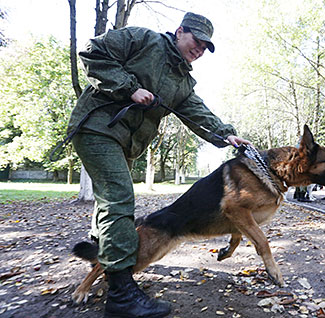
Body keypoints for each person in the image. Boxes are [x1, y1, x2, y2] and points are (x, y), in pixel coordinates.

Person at [67, 12, 250, 318]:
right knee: (119, 198)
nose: (200, 49)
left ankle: (101, 254)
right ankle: (122, 294)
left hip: (126, 142)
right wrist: (129, 87)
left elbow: (197, 113)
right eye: (197, 41)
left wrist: (227, 135)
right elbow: (91, 52)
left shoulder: (182, 81)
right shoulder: (142, 39)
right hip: (98, 127)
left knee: (109, 201)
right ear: (180, 32)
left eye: (206, 47)